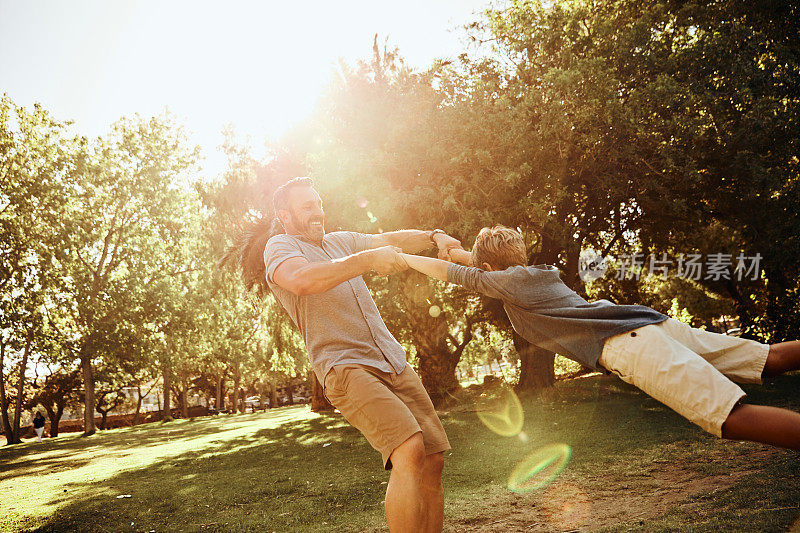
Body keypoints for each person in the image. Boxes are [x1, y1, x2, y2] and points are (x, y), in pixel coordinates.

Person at [399, 225, 800, 450]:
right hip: (649, 324)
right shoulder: (529, 275)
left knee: (729, 419)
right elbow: (472, 263)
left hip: (628, 345)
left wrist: (398, 258)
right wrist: (442, 241)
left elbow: (461, 273)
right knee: (769, 359)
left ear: (490, 268)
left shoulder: (510, 283)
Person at [240, 177, 462, 533]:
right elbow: (304, 280)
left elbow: (391, 239)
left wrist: (434, 236)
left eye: (319, 203)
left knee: (433, 458)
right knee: (409, 449)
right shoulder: (279, 248)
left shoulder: (339, 241)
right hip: (345, 366)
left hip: (393, 361)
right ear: (285, 216)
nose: (318, 211)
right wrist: (368, 259)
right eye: (307, 206)